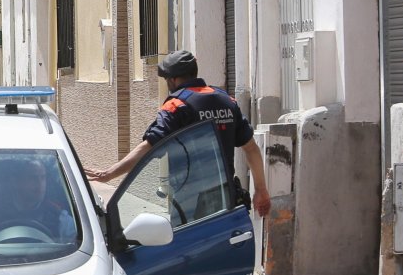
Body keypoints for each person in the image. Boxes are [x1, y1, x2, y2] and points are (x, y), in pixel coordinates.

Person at [86, 50, 271, 217]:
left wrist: (108, 174)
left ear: (173, 80)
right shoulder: (227, 101)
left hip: (190, 202)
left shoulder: (176, 105)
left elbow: (148, 146)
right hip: (225, 197)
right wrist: (261, 190)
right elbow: (251, 148)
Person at [0, 159, 76, 241]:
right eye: (32, 178)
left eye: (43, 178)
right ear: (15, 181)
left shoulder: (60, 219)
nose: (40, 184)